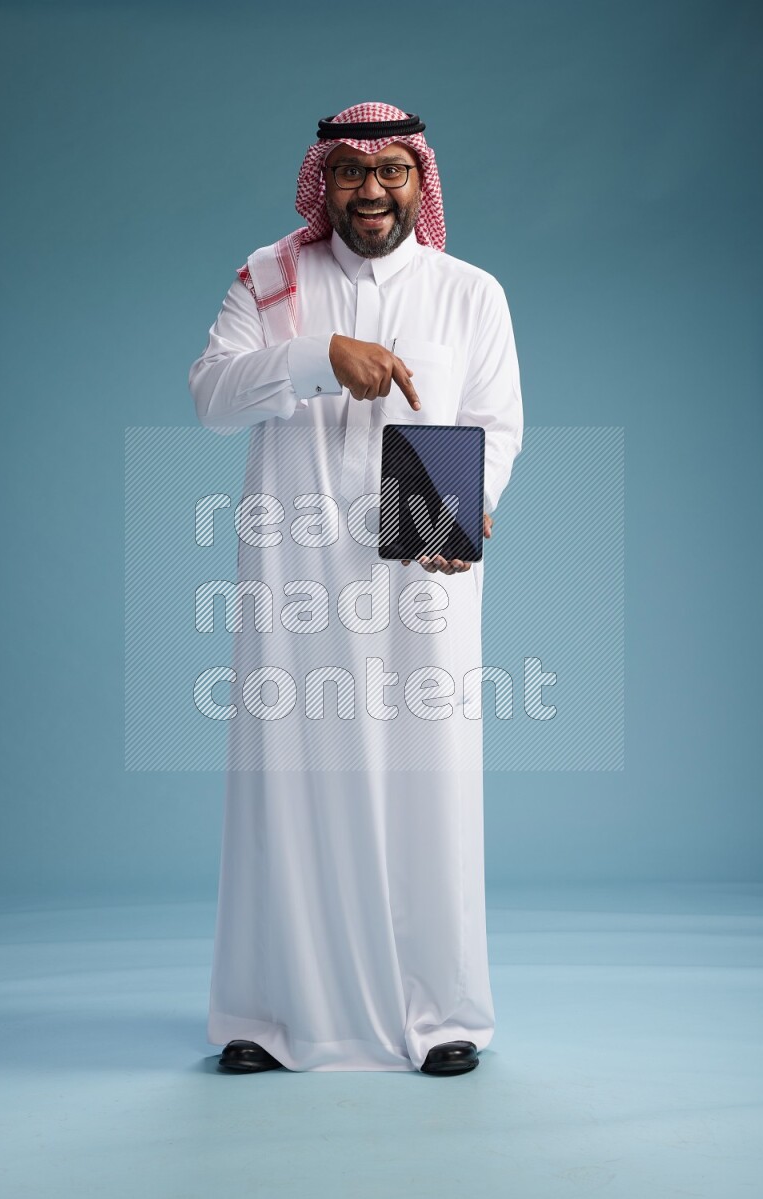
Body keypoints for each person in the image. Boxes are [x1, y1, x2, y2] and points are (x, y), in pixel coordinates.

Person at [188, 101, 524, 1076]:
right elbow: (210, 395)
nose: (369, 189)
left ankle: (439, 1010)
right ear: (320, 181)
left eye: (390, 172)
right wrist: (316, 357)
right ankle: (267, 1013)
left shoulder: (468, 292)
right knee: (285, 783)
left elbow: (492, 424)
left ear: (420, 183)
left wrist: (468, 507)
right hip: (292, 578)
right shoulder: (270, 275)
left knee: (428, 780)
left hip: (416, 569)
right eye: (347, 171)